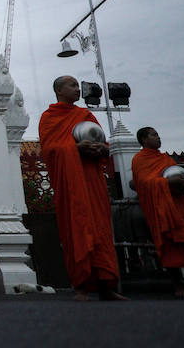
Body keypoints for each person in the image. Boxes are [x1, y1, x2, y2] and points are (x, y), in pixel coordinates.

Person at [38, 75, 127, 301]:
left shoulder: (84, 116)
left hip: (92, 181)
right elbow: (50, 150)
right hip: (70, 184)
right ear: (59, 90)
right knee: (76, 228)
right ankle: (81, 286)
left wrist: (100, 150)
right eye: (72, 85)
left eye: (78, 85)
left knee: (101, 230)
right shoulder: (49, 118)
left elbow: (104, 145)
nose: (78, 89)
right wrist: (76, 148)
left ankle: (107, 285)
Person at [132, 126, 184, 298]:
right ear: (144, 140)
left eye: (158, 135)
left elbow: (182, 177)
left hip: (180, 206)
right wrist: (168, 183)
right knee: (169, 246)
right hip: (161, 208)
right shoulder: (139, 160)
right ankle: (178, 285)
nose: (158, 138)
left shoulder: (166, 159)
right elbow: (143, 183)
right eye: (154, 135)